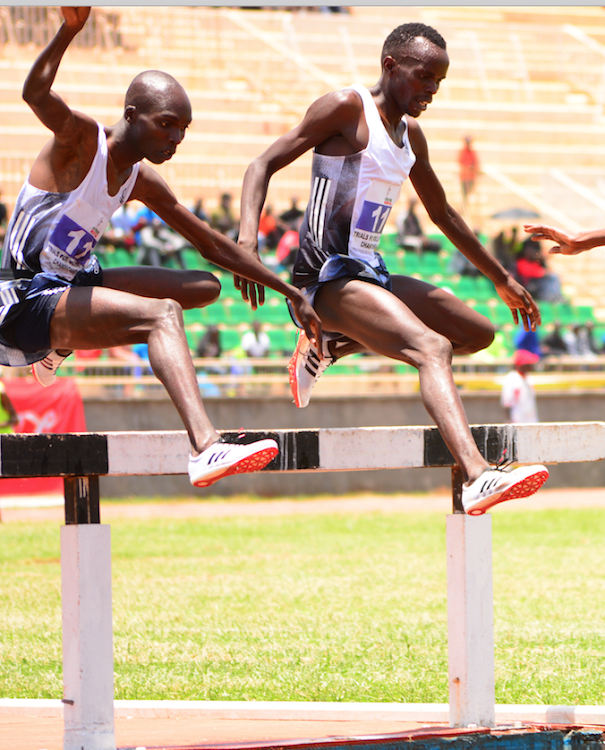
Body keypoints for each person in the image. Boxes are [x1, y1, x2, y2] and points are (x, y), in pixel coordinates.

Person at [0, 7, 322, 490]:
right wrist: (69, 29)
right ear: (131, 115)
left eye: (183, 130)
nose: (175, 139)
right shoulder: (82, 143)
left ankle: (57, 348)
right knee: (162, 315)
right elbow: (35, 94)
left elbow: (207, 242)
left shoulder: (140, 177)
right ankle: (204, 447)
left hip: (71, 281)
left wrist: (284, 289)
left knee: (204, 286)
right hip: (21, 299)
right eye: (167, 124)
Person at [237, 21, 548, 515]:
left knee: (476, 333)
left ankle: (331, 346)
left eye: (439, 83)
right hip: (323, 279)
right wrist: (247, 245)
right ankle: (476, 476)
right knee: (432, 347)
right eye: (425, 77)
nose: (431, 91)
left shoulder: (411, 136)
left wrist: (501, 277)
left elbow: (443, 214)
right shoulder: (346, 108)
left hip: (368, 273)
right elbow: (261, 164)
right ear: (390, 65)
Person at [500, 349, 539, 424]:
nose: (530, 366)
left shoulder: (529, 378)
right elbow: (507, 403)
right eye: (528, 364)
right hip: (517, 421)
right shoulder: (511, 379)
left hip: (531, 421)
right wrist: (509, 422)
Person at [458, 135, 479, 209]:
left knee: (468, 193)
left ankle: (465, 208)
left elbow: (476, 163)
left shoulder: (472, 152)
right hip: (464, 177)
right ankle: (463, 208)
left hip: (471, 177)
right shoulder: (463, 152)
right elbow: (461, 162)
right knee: (464, 194)